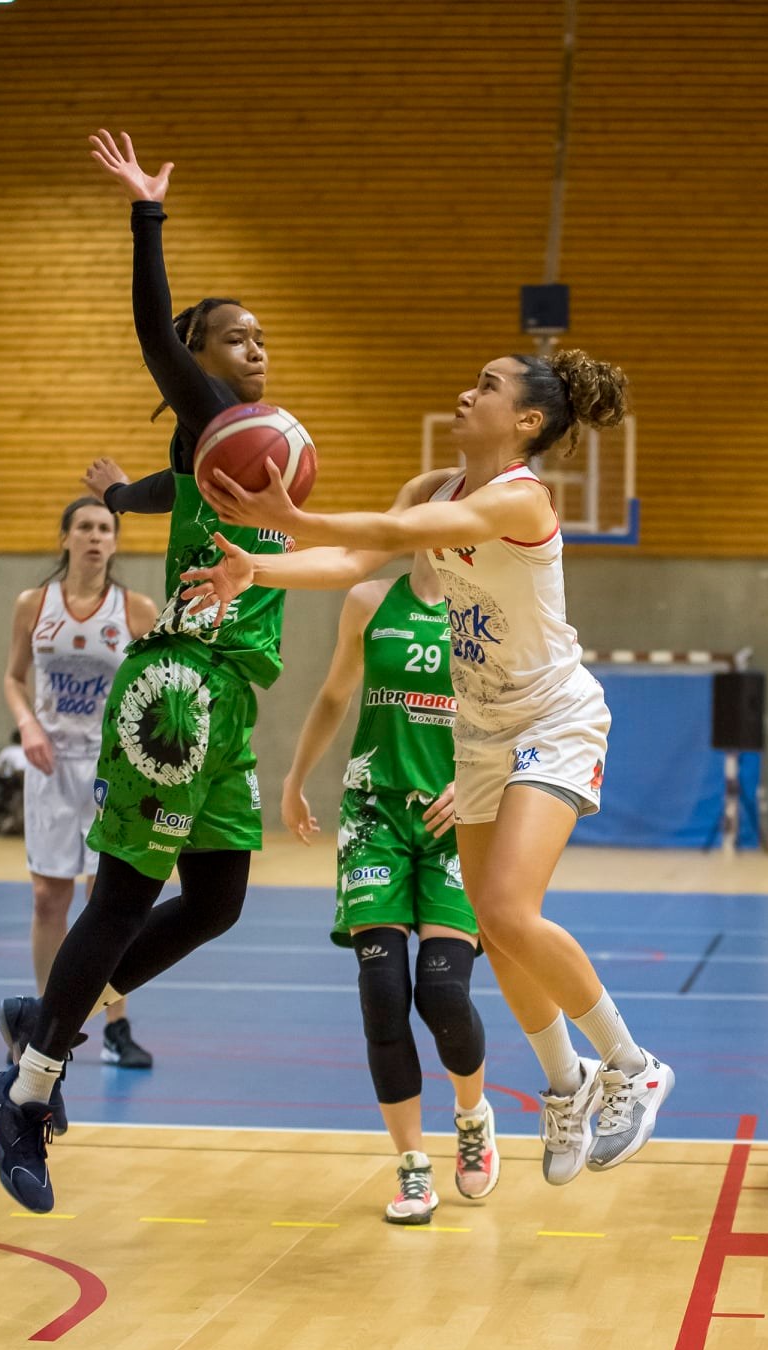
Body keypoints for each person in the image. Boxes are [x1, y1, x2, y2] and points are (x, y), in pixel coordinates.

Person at [183, 351, 675, 1182]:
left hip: (553, 717)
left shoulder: (520, 498)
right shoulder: (434, 485)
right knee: (492, 921)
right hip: (479, 729)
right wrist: (255, 567)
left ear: (525, 421)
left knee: (512, 910)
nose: (464, 390)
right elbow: (352, 565)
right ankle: (568, 1082)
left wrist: (290, 516)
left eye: (487, 385)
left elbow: (394, 537)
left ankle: (633, 1064)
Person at [0, 129, 290, 1214]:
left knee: (216, 900)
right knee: (120, 894)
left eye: (262, 337)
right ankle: (25, 1090)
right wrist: (147, 213)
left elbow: (167, 485)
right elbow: (155, 333)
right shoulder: (214, 411)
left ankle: (48, 1014)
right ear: (203, 361)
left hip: (234, 694)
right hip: (180, 691)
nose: (257, 349)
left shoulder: (248, 446)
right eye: (235, 339)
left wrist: (133, 489)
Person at [282, 549, 495, 1223]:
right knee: (381, 995)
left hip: (454, 823)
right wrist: (293, 780)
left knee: (441, 992)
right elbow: (335, 694)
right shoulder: (370, 602)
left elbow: (516, 726)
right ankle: (412, 1169)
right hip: (373, 814)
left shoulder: (490, 616)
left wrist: (475, 785)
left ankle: (472, 1114)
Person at [3, 497, 158, 1068]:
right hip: (49, 764)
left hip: (110, 768)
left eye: (106, 528)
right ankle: (48, 1027)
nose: (96, 536)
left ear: (115, 542)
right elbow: (13, 678)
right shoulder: (33, 604)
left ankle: (115, 1025)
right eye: (86, 527)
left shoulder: (136, 610)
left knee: (108, 903)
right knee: (49, 898)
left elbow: (155, 689)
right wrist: (27, 726)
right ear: (66, 536)